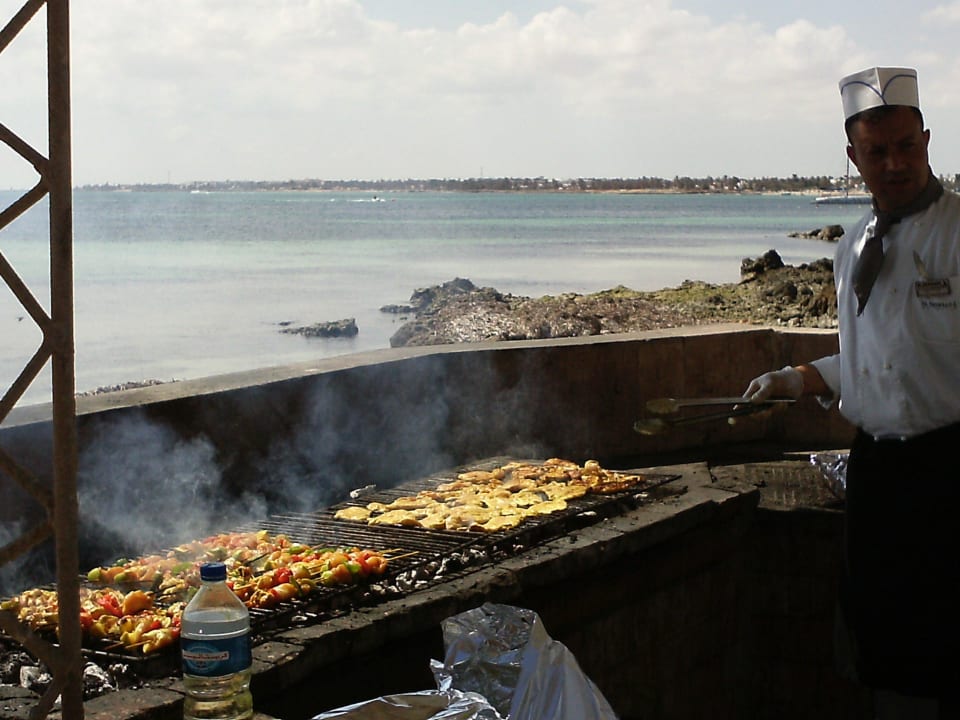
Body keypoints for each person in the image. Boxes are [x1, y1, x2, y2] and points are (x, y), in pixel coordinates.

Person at [743, 66, 960, 719]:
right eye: (877, 152)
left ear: (927, 139)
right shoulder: (854, 248)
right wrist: (801, 377)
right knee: (882, 646)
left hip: (952, 471)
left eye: (907, 147)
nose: (895, 164)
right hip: (880, 476)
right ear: (852, 157)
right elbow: (876, 355)